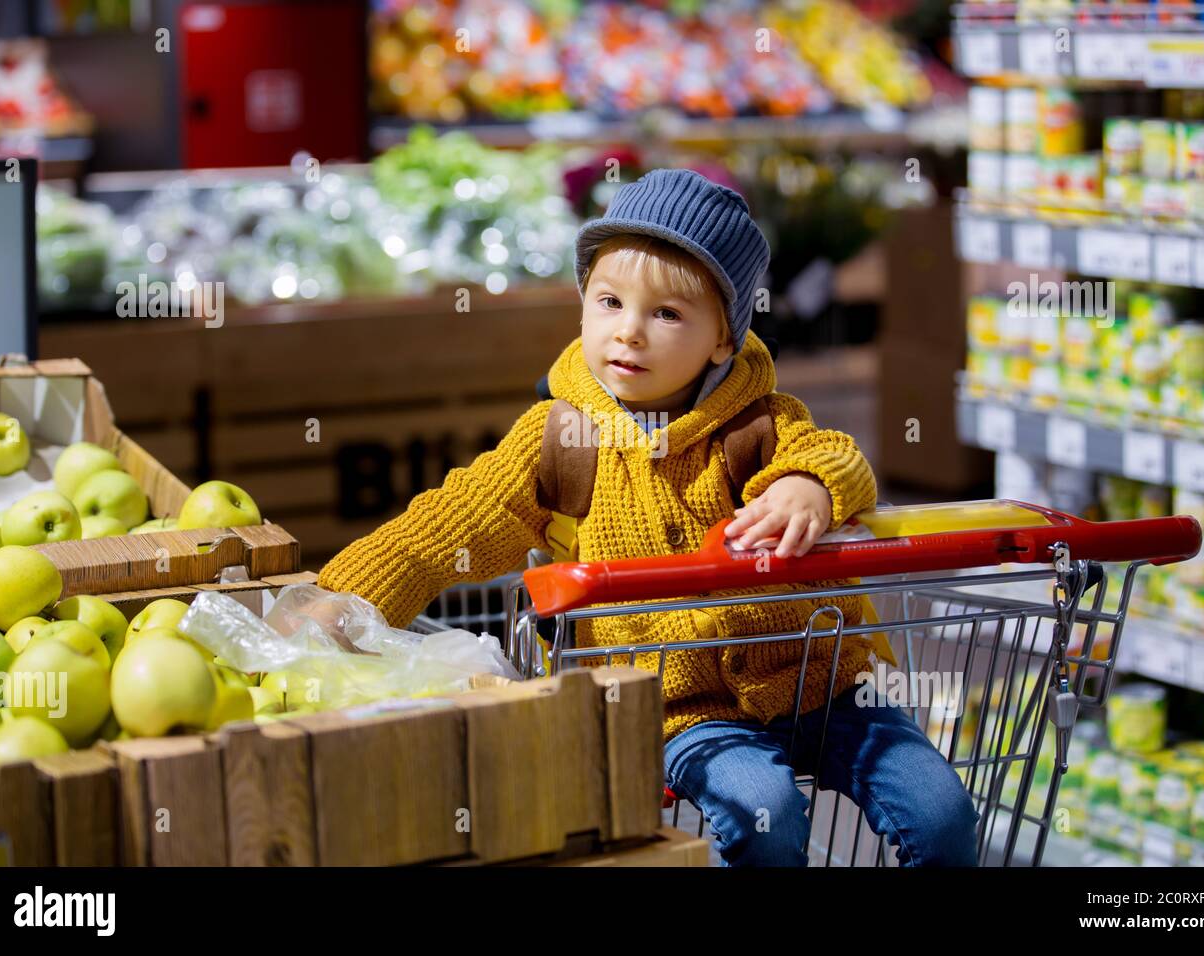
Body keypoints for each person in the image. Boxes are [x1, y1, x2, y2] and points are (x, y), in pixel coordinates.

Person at [315, 168, 979, 866]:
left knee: (941, 813)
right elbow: (448, 523)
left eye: (667, 314)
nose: (628, 332)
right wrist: (344, 597)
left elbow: (838, 457)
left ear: (724, 340)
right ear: (581, 307)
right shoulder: (561, 439)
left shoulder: (758, 425)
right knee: (767, 816)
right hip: (678, 707)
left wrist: (808, 486)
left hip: (823, 676)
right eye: (609, 301)